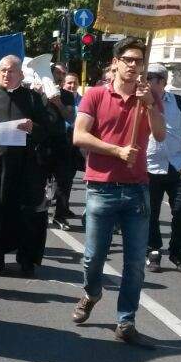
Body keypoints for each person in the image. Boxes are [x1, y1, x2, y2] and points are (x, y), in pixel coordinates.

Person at [71, 37, 166, 345]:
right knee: (93, 257)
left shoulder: (148, 97)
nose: (133, 65)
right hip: (101, 187)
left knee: (135, 263)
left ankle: (126, 320)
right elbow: (79, 136)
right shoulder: (96, 95)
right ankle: (92, 292)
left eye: (138, 61)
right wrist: (115, 150)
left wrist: (150, 104)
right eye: (127, 59)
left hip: (137, 190)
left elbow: (162, 135)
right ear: (115, 62)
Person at [0, 55, 58, 277]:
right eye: (4, 70)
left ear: (21, 74)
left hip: (26, 164)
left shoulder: (33, 99)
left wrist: (32, 127)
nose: (7, 74)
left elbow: (49, 131)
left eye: (12, 71)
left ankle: (26, 259)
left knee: (26, 212)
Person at [142, 64, 181, 275]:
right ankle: (153, 251)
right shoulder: (138, 101)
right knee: (150, 213)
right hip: (149, 167)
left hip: (178, 167)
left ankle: (179, 252)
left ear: (162, 81)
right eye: (147, 78)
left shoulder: (178, 102)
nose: (149, 82)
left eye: (153, 78)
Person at [44, 63, 81, 230]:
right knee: (39, 180)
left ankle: (60, 215)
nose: (59, 75)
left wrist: (58, 103)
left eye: (62, 73)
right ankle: (38, 212)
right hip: (42, 142)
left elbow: (70, 117)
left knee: (63, 180)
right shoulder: (38, 92)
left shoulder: (66, 95)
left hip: (61, 142)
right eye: (57, 72)